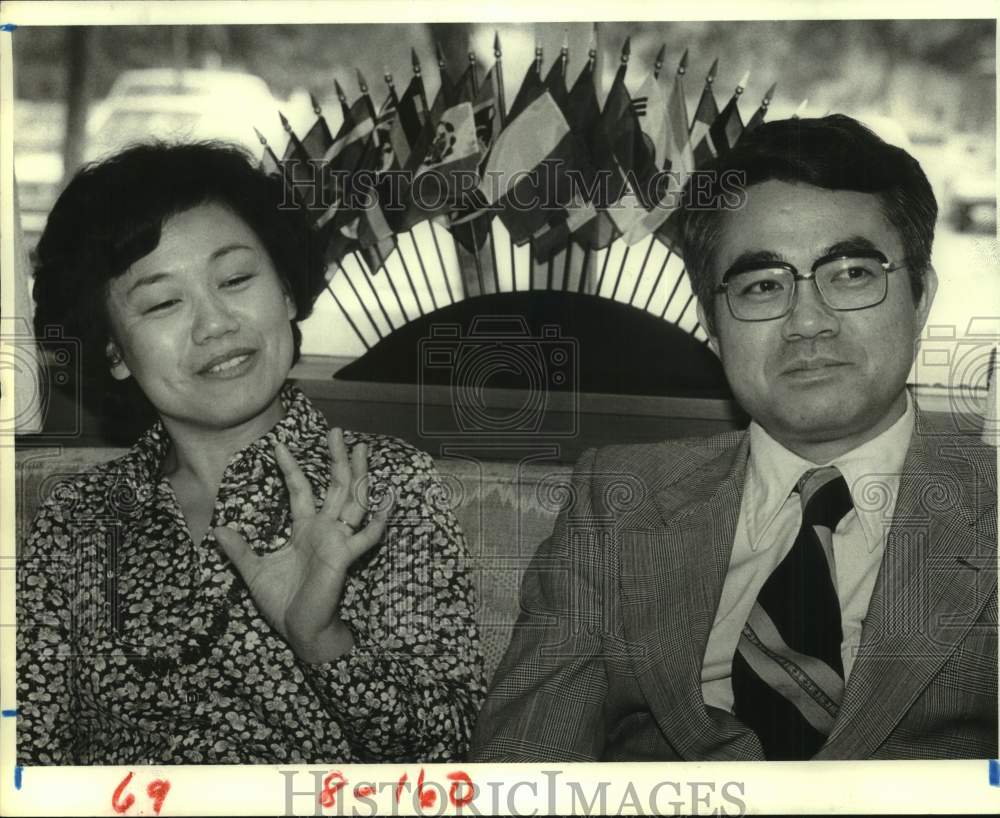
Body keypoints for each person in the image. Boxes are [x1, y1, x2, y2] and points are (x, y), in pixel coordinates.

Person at [472, 115, 997, 761]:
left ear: (921, 299)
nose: (808, 321)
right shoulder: (617, 501)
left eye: (852, 274)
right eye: (762, 286)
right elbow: (523, 765)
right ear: (713, 327)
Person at [17, 141, 485, 765]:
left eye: (236, 279)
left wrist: (321, 639)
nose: (215, 325)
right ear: (113, 354)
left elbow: (450, 751)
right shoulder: (76, 522)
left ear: (288, 294)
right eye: (162, 303)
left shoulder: (384, 486)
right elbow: (27, 761)